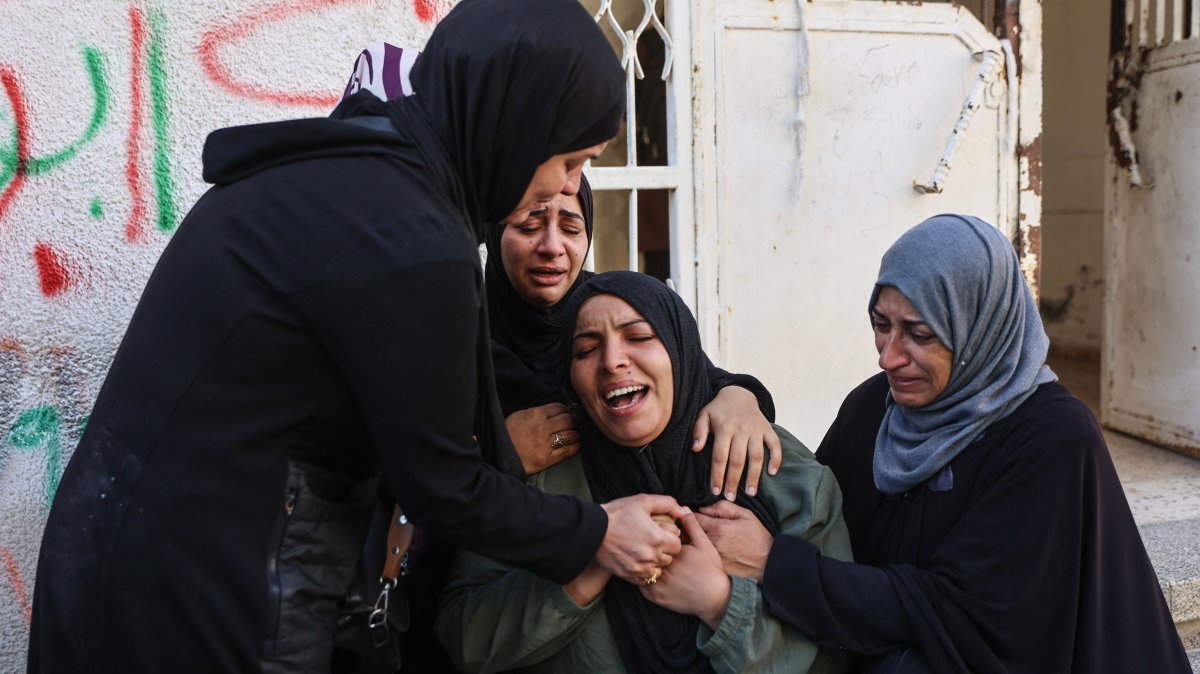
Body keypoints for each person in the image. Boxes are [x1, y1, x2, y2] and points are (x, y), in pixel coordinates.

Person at [27, 2, 689, 672]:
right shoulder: (410, 237)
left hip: (127, 550)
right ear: (519, 121)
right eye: (572, 159)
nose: (569, 185)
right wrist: (600, 531)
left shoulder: (349, 172)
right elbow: (444, 487)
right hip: (209, 587)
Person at [696, 214, 1192, 672]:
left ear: (980, 327)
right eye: (880, 325)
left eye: (919, 333)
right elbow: (821, 519)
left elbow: (958, 614)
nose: (889, 357)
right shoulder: (874, 408)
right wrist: (735, 393)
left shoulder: (1052, 438)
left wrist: (776, 564)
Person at [437, 271, 854, 674]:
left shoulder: (778, 468)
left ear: (681, 349)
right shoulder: (541, 476)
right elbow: (464, 639)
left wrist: (720, 603)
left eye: (638, 337)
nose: (612, 361)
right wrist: (590, 551)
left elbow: (841, 649)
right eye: (585, 350)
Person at [487, 179, 783, 495]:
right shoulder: (452, 337)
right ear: (492, 233)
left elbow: (697, 377)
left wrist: (738, 397)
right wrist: (491, 454)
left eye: (571, 230)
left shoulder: (608, 306)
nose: (552, 246)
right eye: (530, 227)